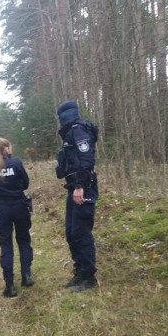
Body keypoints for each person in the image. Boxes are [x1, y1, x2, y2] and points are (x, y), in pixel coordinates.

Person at [55, 100, 99, 292]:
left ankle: (89, 277)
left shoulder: (78, 131)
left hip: (83, 188)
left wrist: (80, 185)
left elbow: (87, 159)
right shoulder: (70, 133)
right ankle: (80, 272)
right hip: (73, 188)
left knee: (81, 233)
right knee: (71, 233)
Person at [0, 137, 33, 298]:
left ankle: (10, 286)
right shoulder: (16, 163)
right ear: (6, 148)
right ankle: (26, 276)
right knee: (24, 240)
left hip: (1, 208)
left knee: (6, 246)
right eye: (9, 147)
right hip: (19, 206)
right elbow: (26, 183)